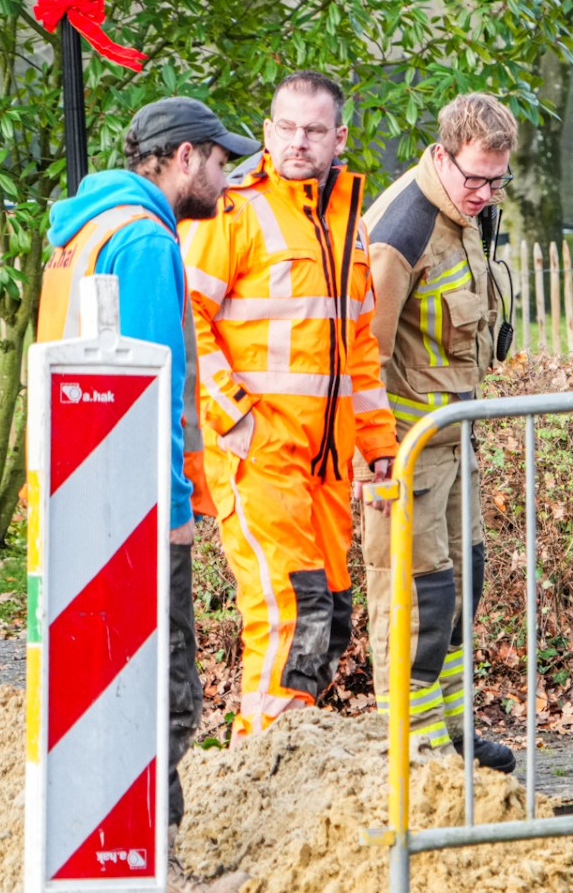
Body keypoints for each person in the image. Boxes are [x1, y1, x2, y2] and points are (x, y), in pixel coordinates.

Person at [36, 96, 259, 825]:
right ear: (184, 157)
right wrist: (175, 512)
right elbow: (153, 392)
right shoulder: (146, 242)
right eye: (221, 162)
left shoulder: (83, 232)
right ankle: (150, 848)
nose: (227, 180)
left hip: (77, 494)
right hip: (133, 509)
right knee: (165, 695)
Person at [182, 71, 399, 740]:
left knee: (329, 615)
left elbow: (357, 344)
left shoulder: (346, 220)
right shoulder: (234, 207)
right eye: (287, 127)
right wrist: (235, 416)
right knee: (288, 609)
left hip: (328, 460)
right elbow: (186, 317)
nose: (298, 142)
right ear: (269, 130)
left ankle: (289, 751)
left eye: (314, 130)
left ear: (339, 137)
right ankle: (263, 765)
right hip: (260, 452)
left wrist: (379, 445)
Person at [360, 92, 519, 772]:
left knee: (461, 586)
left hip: (455, 434)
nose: (484, 192)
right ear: (441, 153)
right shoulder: (401, 231)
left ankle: (451, 730)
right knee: (415, 599)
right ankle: (414, 748)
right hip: (407, 450)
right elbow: (364, 352)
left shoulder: (468, 213)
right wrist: (378, 459)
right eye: (474, 178)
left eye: (496, 179)